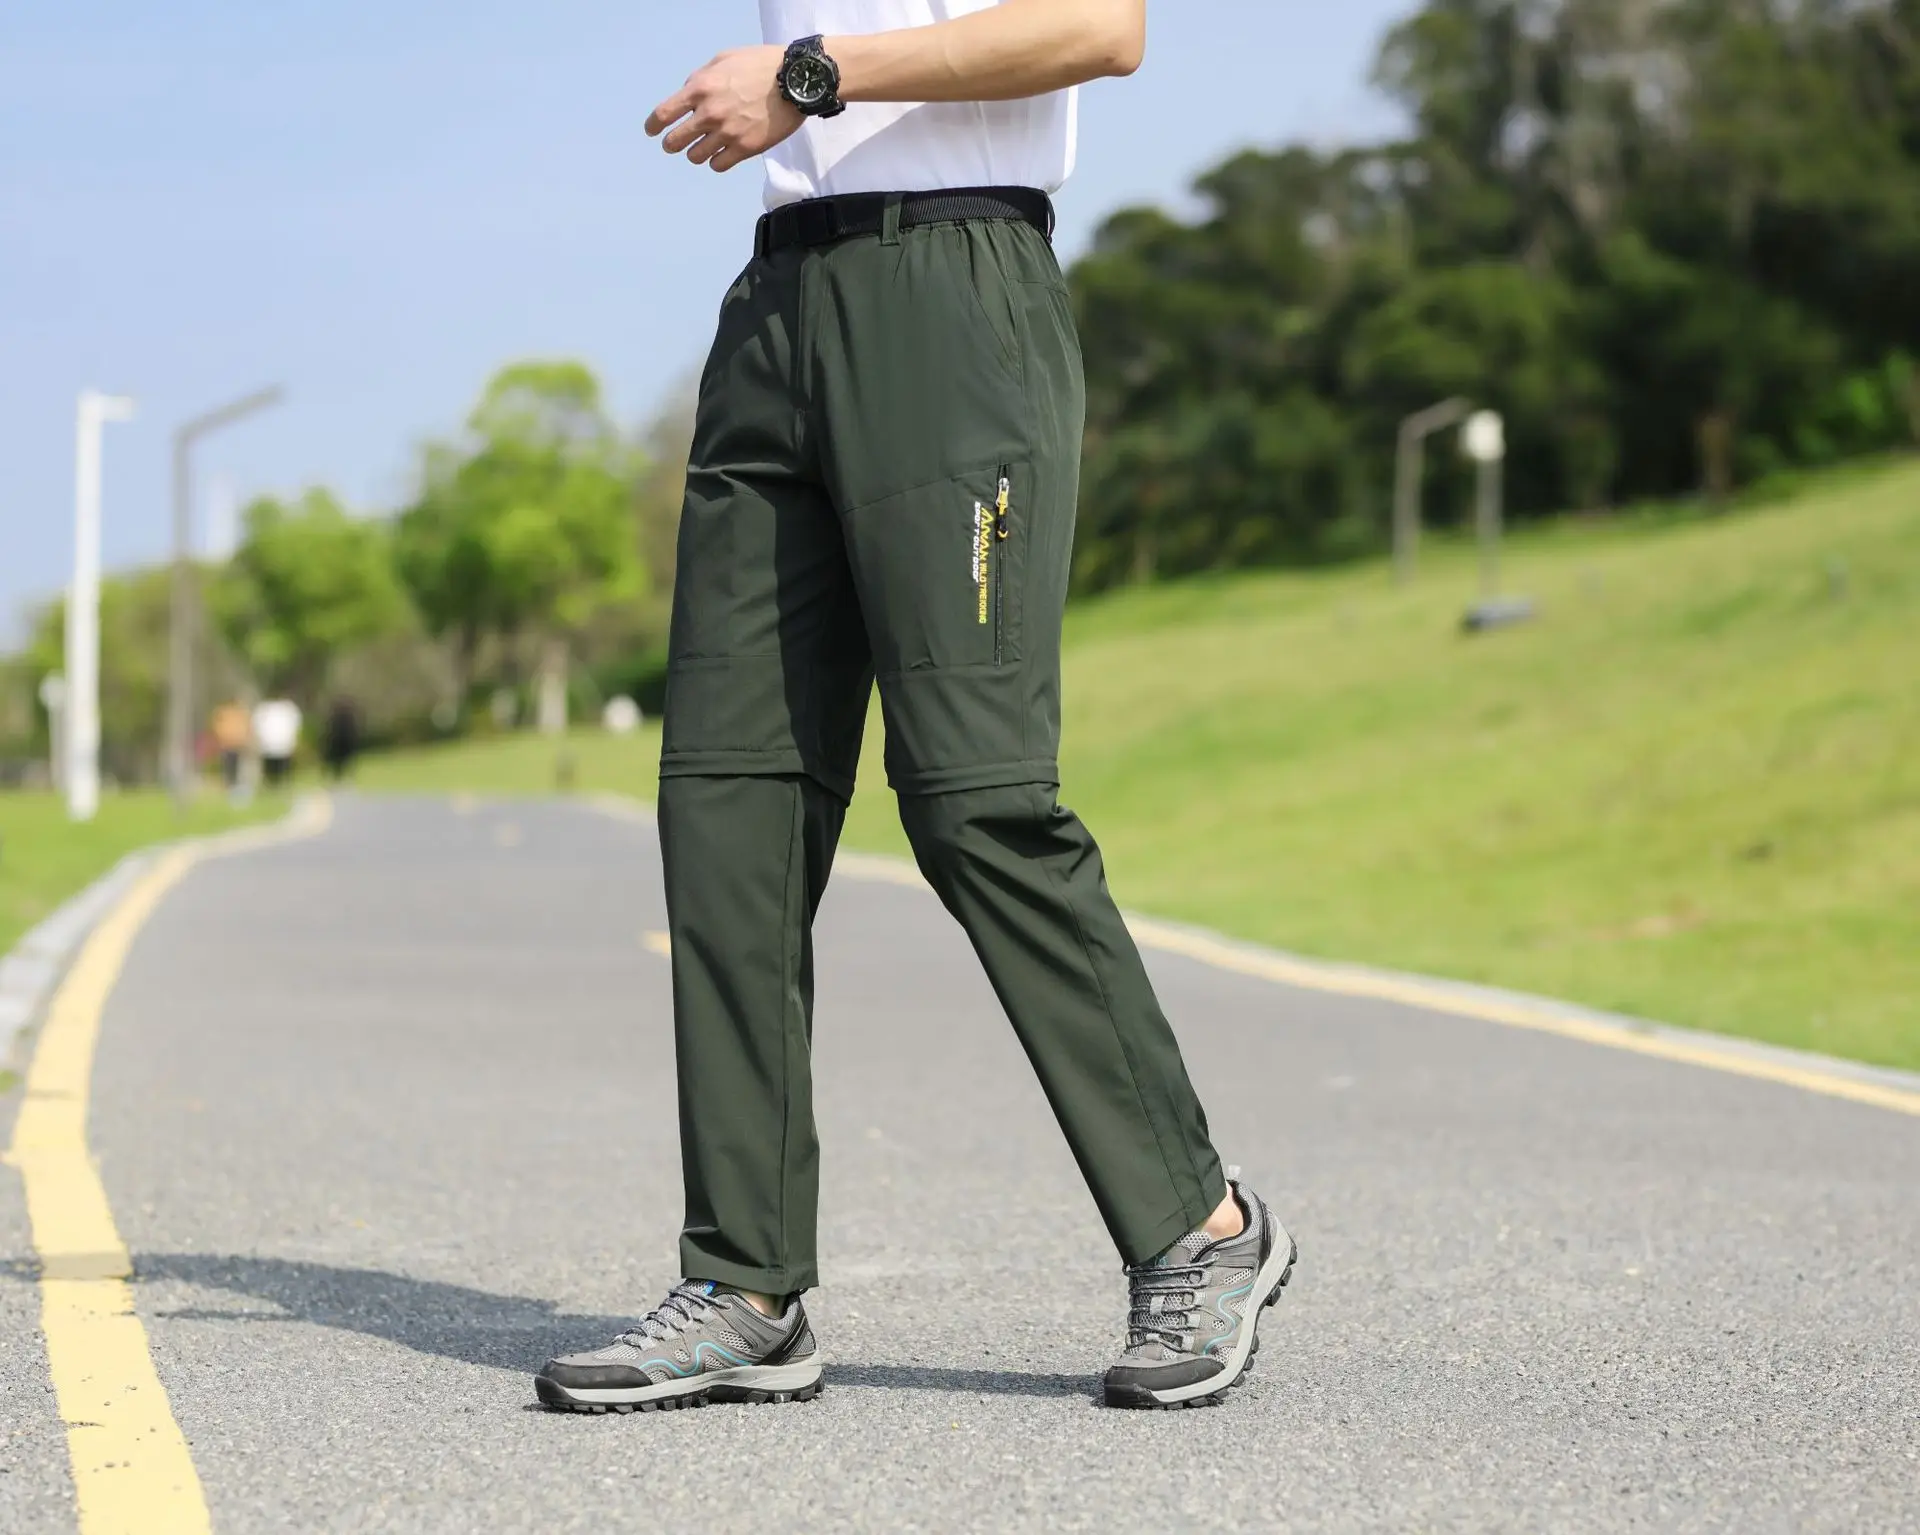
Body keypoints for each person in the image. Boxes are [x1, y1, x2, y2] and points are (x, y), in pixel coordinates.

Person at [537, 0, 1295, 1417]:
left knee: (975, 796)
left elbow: (1102, 26)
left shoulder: (841, 99)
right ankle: (746, 1282)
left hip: (957, 290)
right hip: (777, 305)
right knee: (729, 800)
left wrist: (810, 78)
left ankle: (1202, 1223)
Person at [252, 694, 302, 788]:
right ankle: (271, 785)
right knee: (271, 768)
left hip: (282, 744)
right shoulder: (265, 708)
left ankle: (281, 784)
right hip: (269, 744)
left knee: (283, 768)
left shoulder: (288, 708)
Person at [321, 696, 361, 782]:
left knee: (341, 763)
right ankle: (342, 779)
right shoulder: (346, 717)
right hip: (341, 743)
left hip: (342, 743)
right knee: (342, 763)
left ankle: (341, 779)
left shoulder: (339, 718)